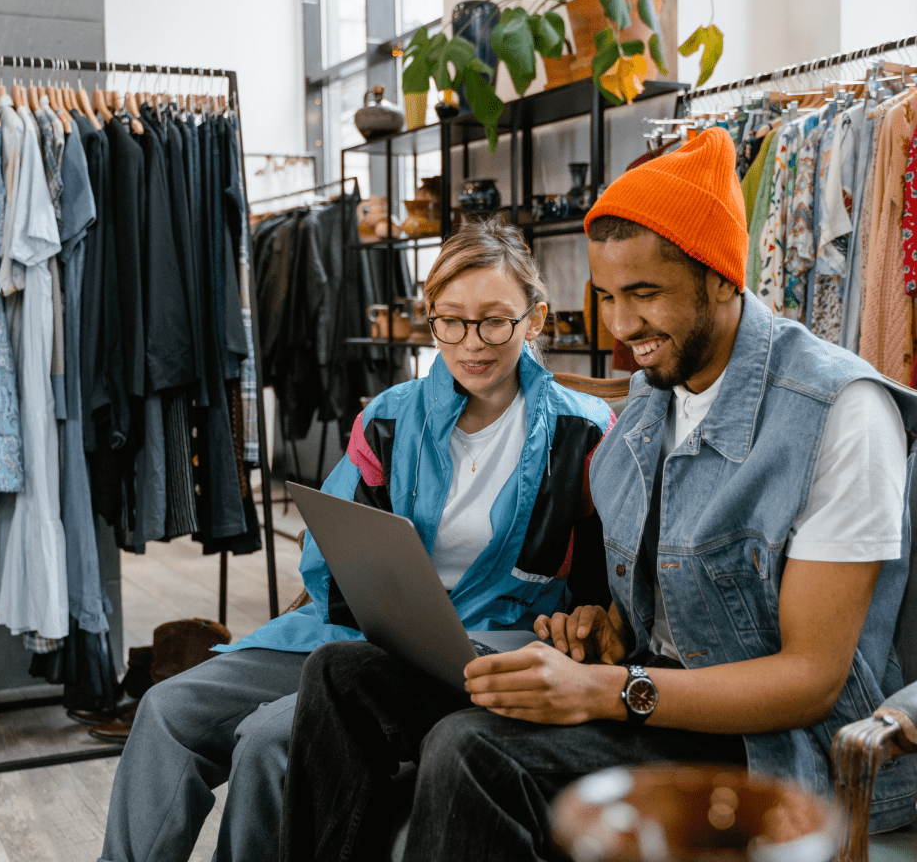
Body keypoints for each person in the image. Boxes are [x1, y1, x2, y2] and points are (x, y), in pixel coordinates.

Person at [278, 127, 917, 862]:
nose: (620, 327)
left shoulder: (838, 412)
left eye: (644, 295)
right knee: (342, 676)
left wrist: (610, 689)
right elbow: (656, 611)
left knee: (471, 749)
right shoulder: (650, 407)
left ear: (720, 277)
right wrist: (601, 630)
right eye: (607, 296)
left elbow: (810, 681)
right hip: (651, 696)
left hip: (776, 750)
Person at [96, 217, 616, 862]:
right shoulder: (389, 418)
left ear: (534, 320)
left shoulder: (584, 434)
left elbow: (602, 588)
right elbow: (338, 553)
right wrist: (362, 597)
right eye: (449, 321)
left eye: (494, 321)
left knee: (267, 741)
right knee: (167, 710)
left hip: (485, 651)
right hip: (358, 632)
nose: (470, 343)